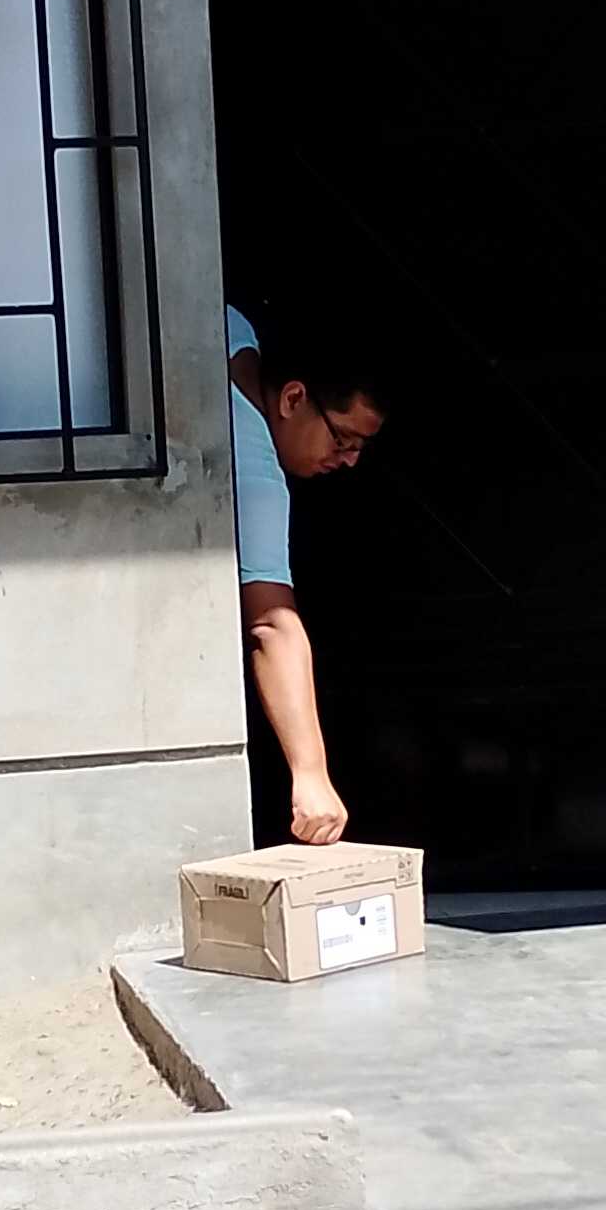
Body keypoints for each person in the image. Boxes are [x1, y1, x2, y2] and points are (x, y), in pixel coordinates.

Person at [226, 301, 387, 846]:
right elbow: (272, 623)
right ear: (293, 398)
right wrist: (312, 774)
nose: (349, 461)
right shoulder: (256, 476)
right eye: (343, 441)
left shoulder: (229, 325)